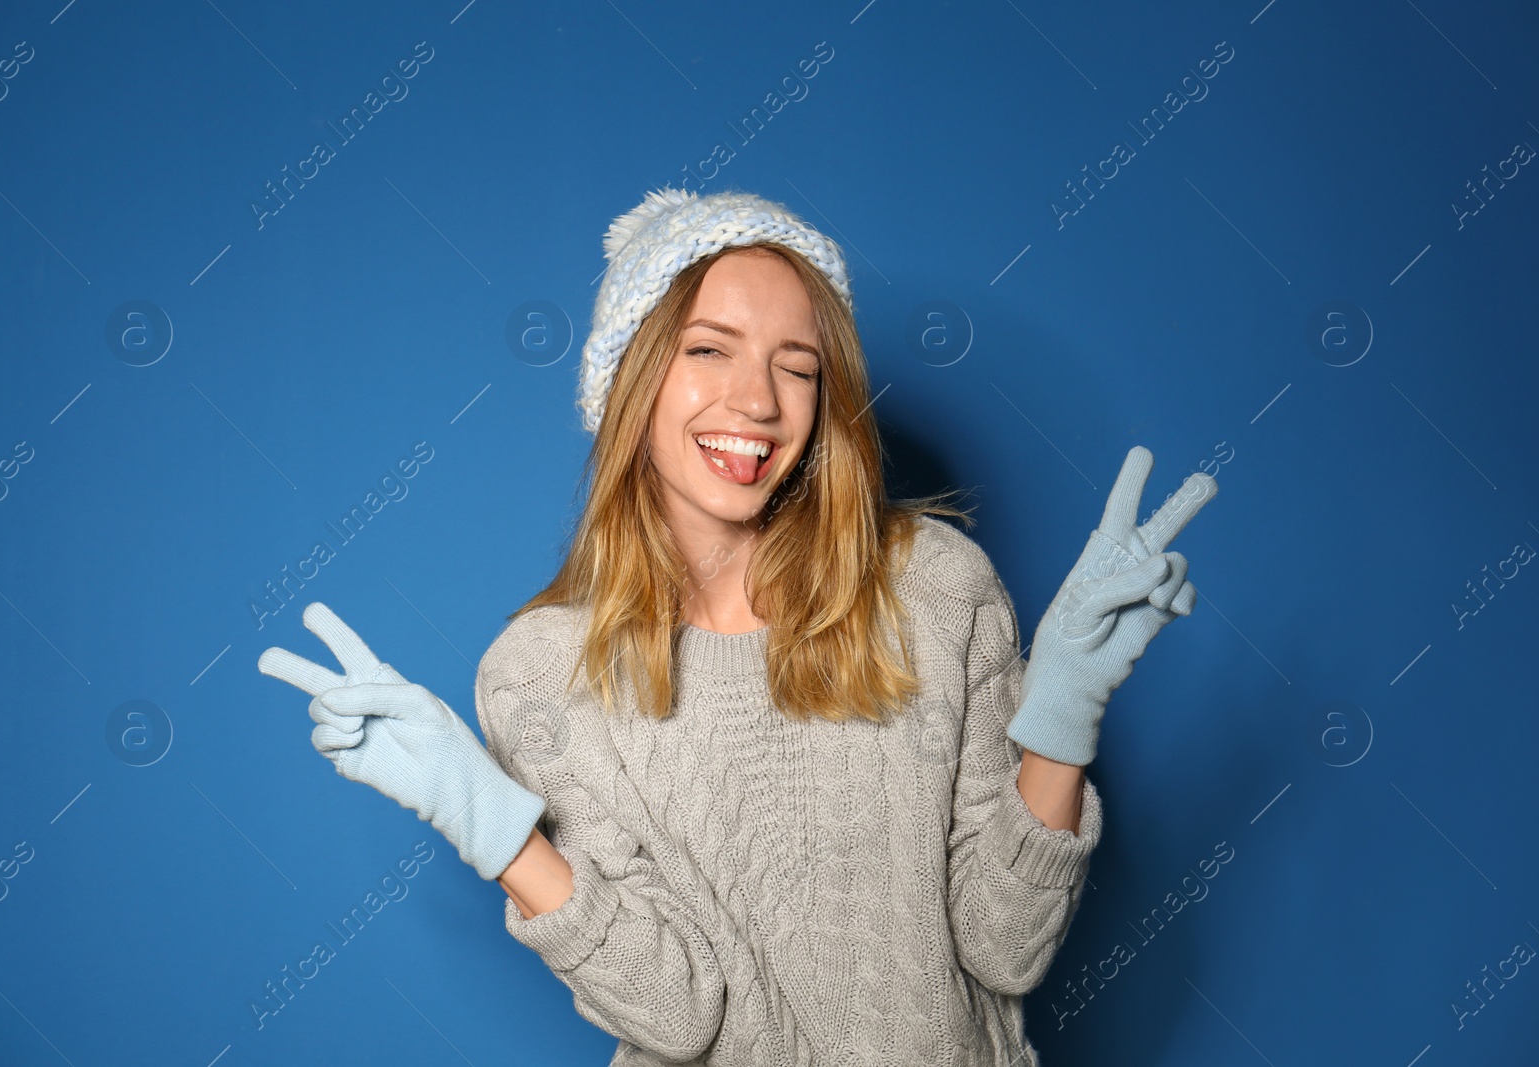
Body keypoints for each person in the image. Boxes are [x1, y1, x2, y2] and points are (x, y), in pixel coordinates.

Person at [258, 187, 1217, 1065]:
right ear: (632, 379)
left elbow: (1006, 948)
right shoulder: (542, 673)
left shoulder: (933, 586)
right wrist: (496, 829)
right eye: (708, 349)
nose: (756, 401)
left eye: (795, 367)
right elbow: (676, 1013)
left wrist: (1061, 714)